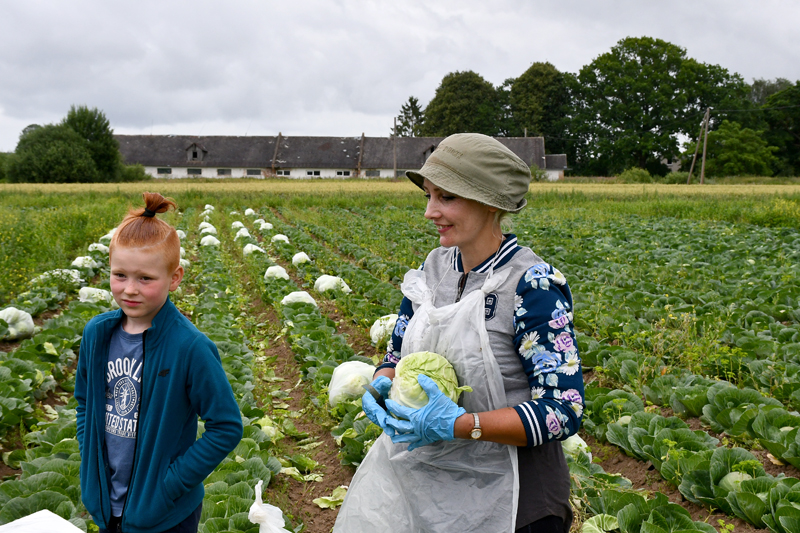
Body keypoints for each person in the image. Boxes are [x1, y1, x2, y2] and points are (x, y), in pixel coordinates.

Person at [334, 134, 584, 533]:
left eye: (446, 198)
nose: (431, 212)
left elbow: (561, 411)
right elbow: (396, 354)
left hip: (518, 499)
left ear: (489, 202)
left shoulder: (532, 285)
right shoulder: (432, 270)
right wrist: (383, 385)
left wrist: (459, 425)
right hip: (432, 485)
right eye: (429, 196)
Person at [75, 192, 243, 533]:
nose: (130, 290)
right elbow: (84, 402)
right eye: (120, 275)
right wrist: (89, 459)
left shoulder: (189, 347)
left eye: (145, 279)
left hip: (166, 515)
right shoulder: (96, 335)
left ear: (175, 277)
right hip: (107, 505)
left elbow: (225, 426)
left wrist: (170, 484)